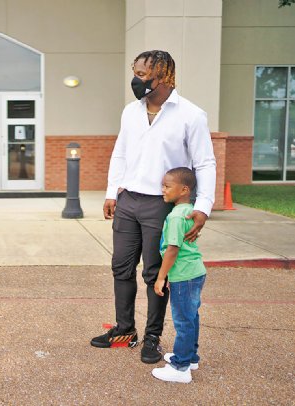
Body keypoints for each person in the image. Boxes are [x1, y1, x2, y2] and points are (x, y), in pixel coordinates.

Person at [90, 50, 216, 364]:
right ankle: (124, 330)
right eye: (135, 71)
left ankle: (152, 338)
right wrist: (111, 192)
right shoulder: (130, 112)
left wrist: (203, 207)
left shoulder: (191, 114)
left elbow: (205, 163)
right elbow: (120, 152)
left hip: (162, 206)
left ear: (164, 75)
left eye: (143, 73)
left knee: (154, 273)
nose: (136, 79)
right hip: (128, 200)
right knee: (121, 267)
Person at [152, 167, 207, 383]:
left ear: (184, 189)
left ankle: (180, 367)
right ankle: (190, 357)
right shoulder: (190, 211)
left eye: (167, 186)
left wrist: (160, 277)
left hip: (184, 275)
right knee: (191, 316)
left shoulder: (175, 216)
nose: (162, 190)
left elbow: (172, 249)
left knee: (183, 321)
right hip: (195, 272)